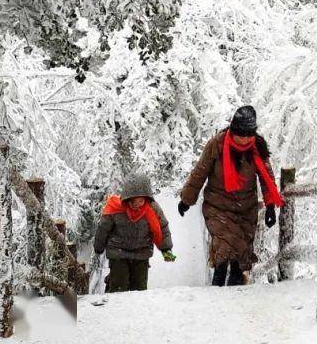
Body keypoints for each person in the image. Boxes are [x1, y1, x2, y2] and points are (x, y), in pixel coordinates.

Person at [177, 105, 284, 286]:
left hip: (245, 209)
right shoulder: (217, 145)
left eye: (248, 135)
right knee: (224, 245)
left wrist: (270, 207)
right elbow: (200, 172)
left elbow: (267, 178)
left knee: (241, 253)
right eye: (240, 134)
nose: (244, 139)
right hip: (217, 207)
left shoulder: (257, 148)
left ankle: (235, 289)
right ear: (232, 131)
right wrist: (187, 199)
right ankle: (218, 282)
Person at [94, 173, 176, 292]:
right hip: (118, 252)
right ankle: (114, 293)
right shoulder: (115, 208)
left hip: (141, 253)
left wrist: (166, 249)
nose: (137, 205)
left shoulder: (152, 209)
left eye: (141, 201)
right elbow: (103, 228)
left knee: (139, 289)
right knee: (119, 287)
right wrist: (99, 246)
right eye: (133, 201)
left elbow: (162, 227)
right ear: (127, 198)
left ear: (146, 199)